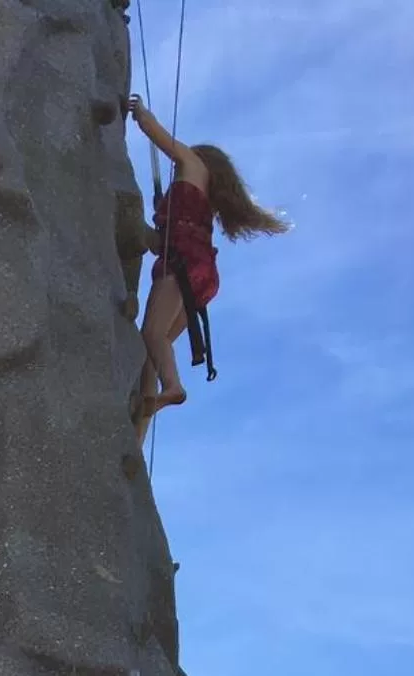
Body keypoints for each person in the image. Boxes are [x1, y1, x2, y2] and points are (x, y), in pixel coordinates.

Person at [127, 97, 287, 439]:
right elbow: (161, 240)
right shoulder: (199, 202)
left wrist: (141, 115)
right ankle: (139, 426)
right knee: (151, 353)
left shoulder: (193, 165)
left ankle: (173, 387)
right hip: (201, 274)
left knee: (152, 335)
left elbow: (163, 140)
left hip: (181, 266)